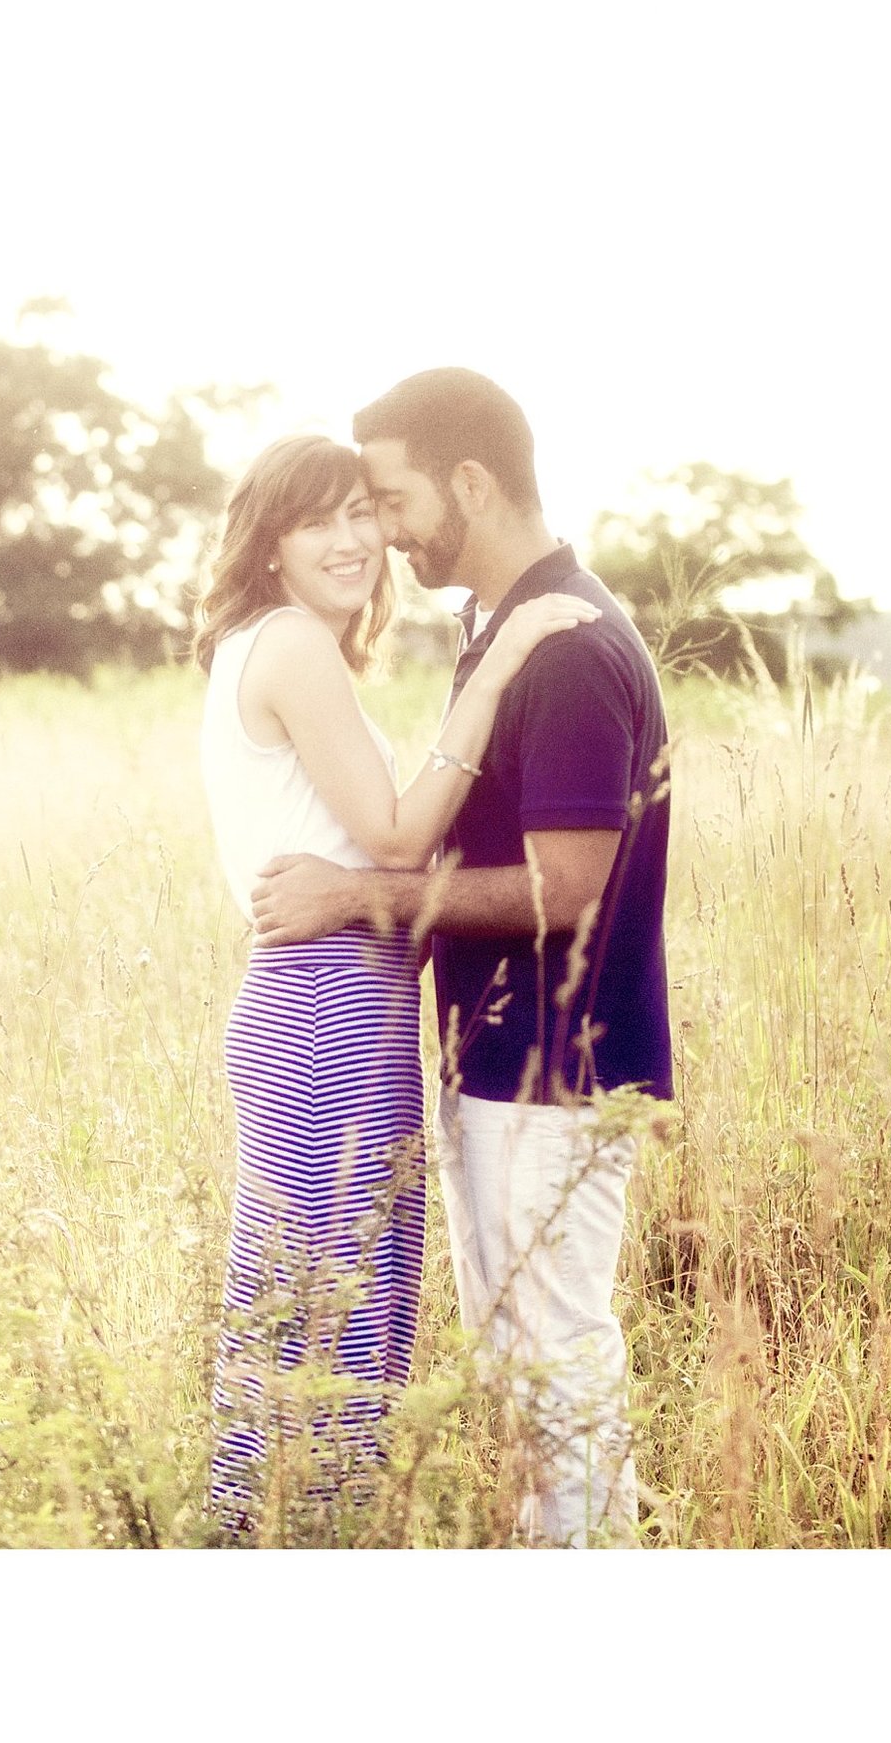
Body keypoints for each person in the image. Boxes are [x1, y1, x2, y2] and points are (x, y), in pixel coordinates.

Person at [250, 370, 674, 1547]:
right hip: (499, 1062)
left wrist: (358, 894)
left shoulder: (570, 648)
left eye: (390, 500)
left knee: (557, 1353)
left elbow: (567, 887)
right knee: (519, 1354)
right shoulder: (502, 631)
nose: (380, 532)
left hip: (559, 1068)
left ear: (470, 484)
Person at [193, 431, 595, 1533]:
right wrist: (505, 663)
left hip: (330, 998)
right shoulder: (290, 647)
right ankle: (290, 1534)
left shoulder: (261, 643)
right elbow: (394, 834)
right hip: (324, 996)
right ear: (269, 544)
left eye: (362, 514)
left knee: (318, 1302)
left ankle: (280, 1530)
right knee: (326, 1312)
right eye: (317, 520)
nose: (351, 540)